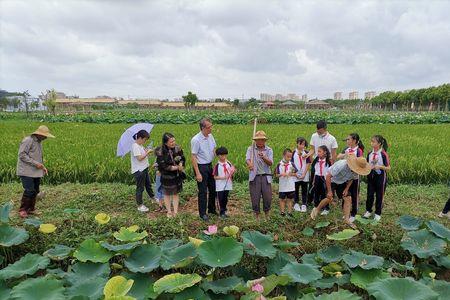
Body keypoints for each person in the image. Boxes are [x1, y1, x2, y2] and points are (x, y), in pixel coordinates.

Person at [310, 154, 371, 226]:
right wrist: (329, 191)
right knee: (329, 198)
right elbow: (328, 176)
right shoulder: (341, 165)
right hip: (331, 180)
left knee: (348, 198)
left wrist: (346, 188)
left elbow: (352, 179)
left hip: (342, 182)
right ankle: (317, 209)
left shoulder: (356, 171)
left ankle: (346, 219)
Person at [16, 125, 55, 218]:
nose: (46, 137)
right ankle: (23, 209)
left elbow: (38, 158)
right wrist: (35, 164)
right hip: (26, 171)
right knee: (29, 190)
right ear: (39, 134)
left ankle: (31, 209)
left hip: (35, 171)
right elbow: (22, 155)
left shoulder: (39, 142)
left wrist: (42, 167)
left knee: (36, 190)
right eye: (45, 135)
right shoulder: (28, 140)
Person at [191, 118, 217, 221]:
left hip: (210, 166)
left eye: (211, 126)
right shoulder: (196, 140)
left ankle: (212, 209)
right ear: (203, 128)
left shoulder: (210, 136)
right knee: (202, 191)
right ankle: (202, 213)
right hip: (201, 167)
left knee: (213, 188)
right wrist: (197, 173)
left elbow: (214, 149)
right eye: (209, 127)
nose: (211, 128)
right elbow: (193, 157)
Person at [156, 133, 186, 218]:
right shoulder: (160, 151)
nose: (173, 143)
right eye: (171, 142)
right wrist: (176, 167)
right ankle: (169, 211)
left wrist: (181, 164)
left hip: (176, 176)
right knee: (167, 194)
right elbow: (163, 166)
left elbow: (182, 158)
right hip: (166, 176)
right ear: (165, 143)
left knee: (176, 193)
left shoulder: (178, 148)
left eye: (174, 141)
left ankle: (176, 212)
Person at [246, 131, 274, 220]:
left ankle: (267, 214)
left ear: (264, 140)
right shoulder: (251, 149)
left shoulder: (269, 150)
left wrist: (264, 157)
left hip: (266, 176)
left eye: (262, 140)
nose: (260, 142)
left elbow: (270, 163)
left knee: (267, 197)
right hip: (255, 176)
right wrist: (249, 164)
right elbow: (247, 159)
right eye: (258, 140)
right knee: (255, 196)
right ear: (255, 141)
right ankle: (257, 215)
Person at [337, 133, 364, 222]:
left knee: (354, 193)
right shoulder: (346, 149)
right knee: (345, 193)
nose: (347, 141)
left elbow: (360, 161)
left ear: (355, 141)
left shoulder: (358, 150)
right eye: (347, 140)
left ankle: (354, 213)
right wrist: (345, 155)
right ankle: (345, 213)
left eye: (349, 139)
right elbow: (338, 156)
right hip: (346, 174)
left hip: (355, 175)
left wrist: (352, 159)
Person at [363, 135, 391, 221]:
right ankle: (368, 211)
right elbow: (368, 164)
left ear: (379, 144)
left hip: (380, 177)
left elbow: (388, 168)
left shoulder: (383, 154)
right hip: (371, 176)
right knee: (370, 194)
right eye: (371, 141)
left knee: (379, 195)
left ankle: (378, 213)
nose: (371, 143)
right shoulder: (369, 153)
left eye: (373, 141)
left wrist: (379, 167)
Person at [131, 130, 154, 213]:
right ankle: (140, 205)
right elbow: (139, 158)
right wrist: (147, 152)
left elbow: (143, 155)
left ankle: (153, 198)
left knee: (148, 184)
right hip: (139, 171)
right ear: (140, 138)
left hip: (144, 168)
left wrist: (147, 150)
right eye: (144, 140)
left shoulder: (140, 145)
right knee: (140, 188)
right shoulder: (135, 146)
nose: (145, 141)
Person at [213, 146, 235, 218]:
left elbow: (233, 169)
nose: (224, 157)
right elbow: (215, 177)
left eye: (225, 155)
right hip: (220, 185)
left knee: (225, 198)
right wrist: (223, 177)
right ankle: (221, 212)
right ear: (218, 156)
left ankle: (224, 211)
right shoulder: (217, 166)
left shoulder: (228, 163)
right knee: (220, 198)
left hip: (227, 184)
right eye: (222, 155)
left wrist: (233, 172)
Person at [275, 149, 298, 217]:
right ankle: (282, 212)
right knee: (282, 199)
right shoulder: (279, 164)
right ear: (283, 155)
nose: (289, 158)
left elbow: (296, 173)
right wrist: (282, 174)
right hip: (282, 186)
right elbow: (276, 175)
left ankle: (289, 212)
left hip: (290, 185)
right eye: (288, 156)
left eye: (290, 157)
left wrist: (291, 174)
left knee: (290, 199)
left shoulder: (292, 164)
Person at [310, 145, 331, 214]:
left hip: (325, 178)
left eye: (319, 151)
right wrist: (313, 180)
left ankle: (326, 208)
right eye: (317, 151)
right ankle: (316, 206)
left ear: (325, 152)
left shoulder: (328, 161)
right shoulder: (316, 160)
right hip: (317, 177)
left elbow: (330, 171)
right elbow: (314, 170)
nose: (318, 153)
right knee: (316, 192)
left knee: (324, 193)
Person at [292, 137, 311, 213]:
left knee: (304, 190)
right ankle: (296, 203)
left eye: (303, 144)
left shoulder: (306, 153)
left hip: (304, 175)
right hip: (296, 175)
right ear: (297, 143)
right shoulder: (293, 153)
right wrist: (295, 173)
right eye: (300, 144)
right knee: (295, 189)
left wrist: (304, 174)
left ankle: (304, 204)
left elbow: (308, 163)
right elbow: (291, 164)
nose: (302, 146)